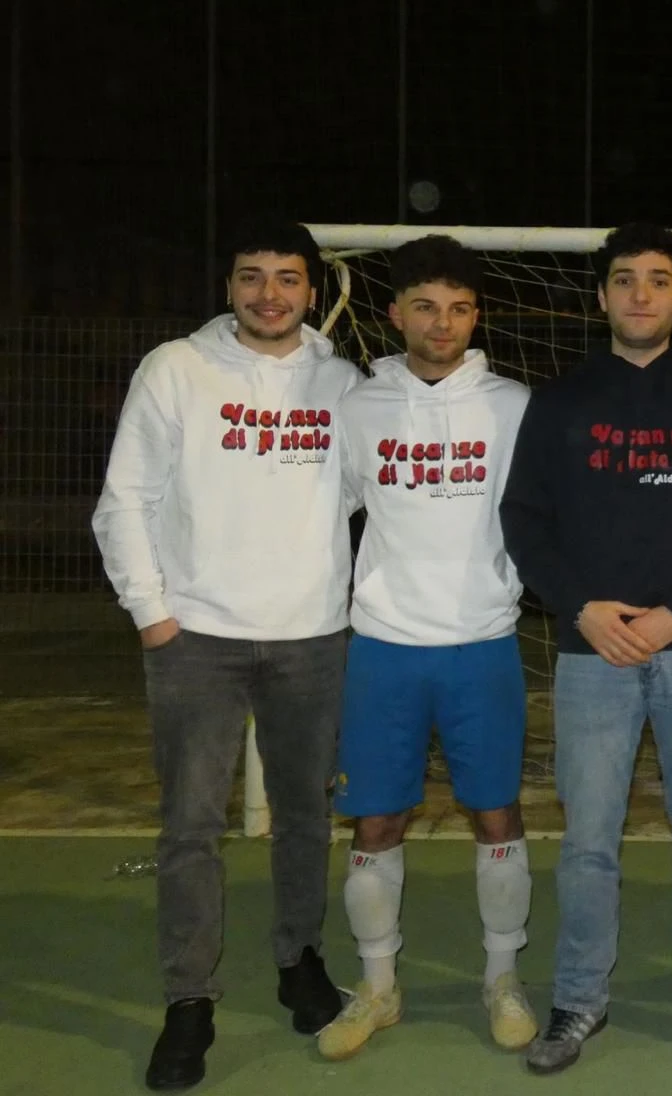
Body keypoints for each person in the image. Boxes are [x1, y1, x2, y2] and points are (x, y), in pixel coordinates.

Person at [92, 219, 360, 1091]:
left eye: (287, 278)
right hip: (196, 641)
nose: (269, 295)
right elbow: (124, 500)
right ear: (230, 286)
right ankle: (189, 999)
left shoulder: (343, 383)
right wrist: (153, 615)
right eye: (252, 276)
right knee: (191, 827)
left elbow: (371, 492)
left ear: (312, 291)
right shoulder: (176, 369)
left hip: (312, 637)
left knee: (306, 816)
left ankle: (299, 960)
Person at [501, 222, 672, 1076]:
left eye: (658, 280)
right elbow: (524, 519)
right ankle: (579, 997)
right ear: (603, 296)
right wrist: (579, 609)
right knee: (588, 839)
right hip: (593, 653)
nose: (640, 293)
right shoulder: (559, 402)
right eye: (624, 279)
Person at [316, 235, 537, 1061]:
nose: (442, 324)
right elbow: (324, 510)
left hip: (483, 643)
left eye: (458, 309)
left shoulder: (514, 406)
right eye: (425, 307)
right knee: (375, 819)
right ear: (395, 314)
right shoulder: (358, 407)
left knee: (498, 813)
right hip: (385, 647)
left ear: (477, 317)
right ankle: (378, 986)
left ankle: (502, 978)